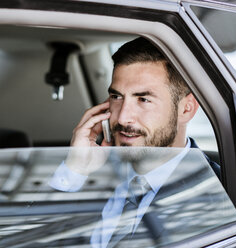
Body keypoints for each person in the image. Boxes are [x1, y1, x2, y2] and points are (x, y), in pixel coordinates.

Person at [49, 37, 221, 247]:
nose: (122, 118)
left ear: (186, 109)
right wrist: (74, 169)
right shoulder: (88, 175)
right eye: (116, 96)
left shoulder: (220, 194)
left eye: (143, 99)